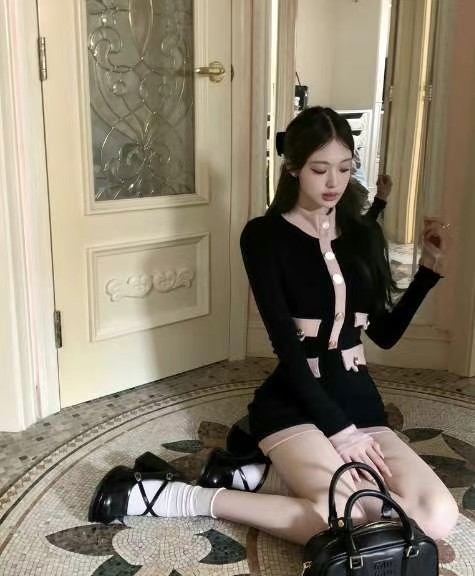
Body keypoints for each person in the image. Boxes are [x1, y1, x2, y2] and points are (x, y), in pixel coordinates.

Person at [88, 107, 457, 546]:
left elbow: (385, 334)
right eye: (319, 169)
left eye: (344, 168)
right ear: (294, 168)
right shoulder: (263, 237)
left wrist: (429, 271)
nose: (334, 182)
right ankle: (172, 496)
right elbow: (287, 347)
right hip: (293, 403)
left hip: (360, 406)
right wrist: (339, 433)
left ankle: (256, 476)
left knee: (436, 516)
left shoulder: (364, 236)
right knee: (349, 518)